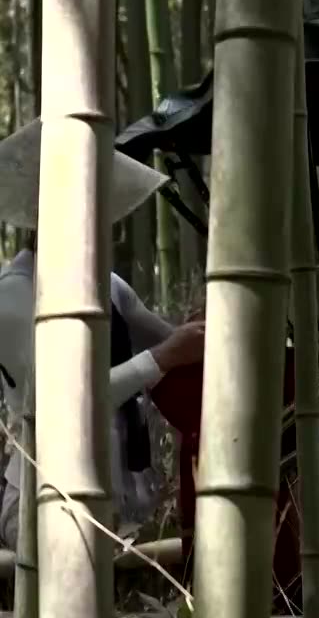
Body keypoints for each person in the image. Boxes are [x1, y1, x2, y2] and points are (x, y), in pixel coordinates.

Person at [0, 119, 208, 549]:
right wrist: (163, 357)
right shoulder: (14, 297)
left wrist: (199, 331)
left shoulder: (108, 285)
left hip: (120, 503)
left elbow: (169, 340)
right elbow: (60, 404)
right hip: (45, 504)